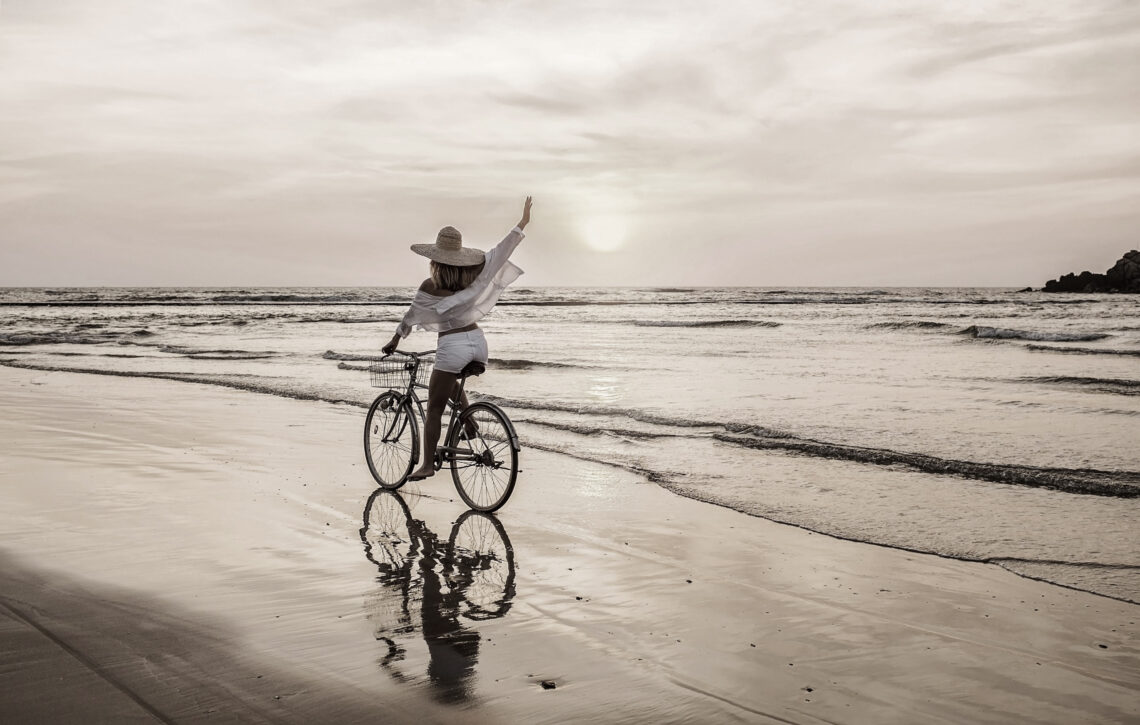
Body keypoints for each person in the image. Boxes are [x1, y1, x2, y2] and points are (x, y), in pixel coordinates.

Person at [382, 196, 533, 481]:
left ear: (435, 260)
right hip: (478, 343)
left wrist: (395, 341)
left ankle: (427, 465)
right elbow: (502, 250)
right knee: (449, 383)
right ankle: (470, 422)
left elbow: (411, 317)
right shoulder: (475, 274)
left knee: (435, 407)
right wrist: (522, 223)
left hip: (452, 346)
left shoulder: (431, 285)